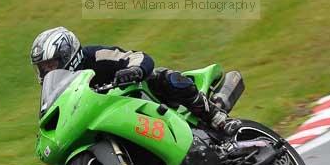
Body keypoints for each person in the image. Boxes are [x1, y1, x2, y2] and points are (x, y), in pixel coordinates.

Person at [30, 27, 240, 135]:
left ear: (68, 54)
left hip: (139, 97)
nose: (48, 71)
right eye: (43, 68)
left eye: (52, 64)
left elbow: (136, 57)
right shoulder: (61, 88)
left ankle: (215, 117)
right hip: (111, 118)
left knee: (164, 77)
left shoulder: (95, 56)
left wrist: (133, 70)